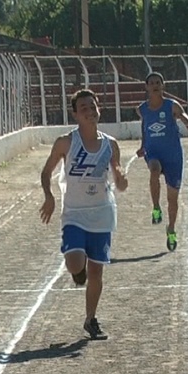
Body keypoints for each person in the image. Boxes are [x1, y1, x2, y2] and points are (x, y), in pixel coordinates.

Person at [40, 89, 128, 340]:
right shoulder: (66, 143)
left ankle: (91, 319)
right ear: (75, 114)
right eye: (84, 108)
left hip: (102, 214)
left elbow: (118, 174)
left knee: (96, 272)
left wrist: (121, 180)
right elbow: (46, 172)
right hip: (75, 215)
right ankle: (76, 267)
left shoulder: (110, 144)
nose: (90, 112)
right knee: (76, 264)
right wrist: (49, 196)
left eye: (93, 106)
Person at [135, 72, 188, 251]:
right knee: (154, 169)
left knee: (173, 198)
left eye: (158, 83)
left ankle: (171, 228)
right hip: (153, 151)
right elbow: (145, 128)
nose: (155, 85)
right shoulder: (142, 109)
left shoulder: (171, 106)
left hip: (173, 155)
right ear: (146, 87)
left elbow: (184, 117)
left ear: (163, 86)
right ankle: (155, 207)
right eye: (151, 83)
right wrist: (142, 146)